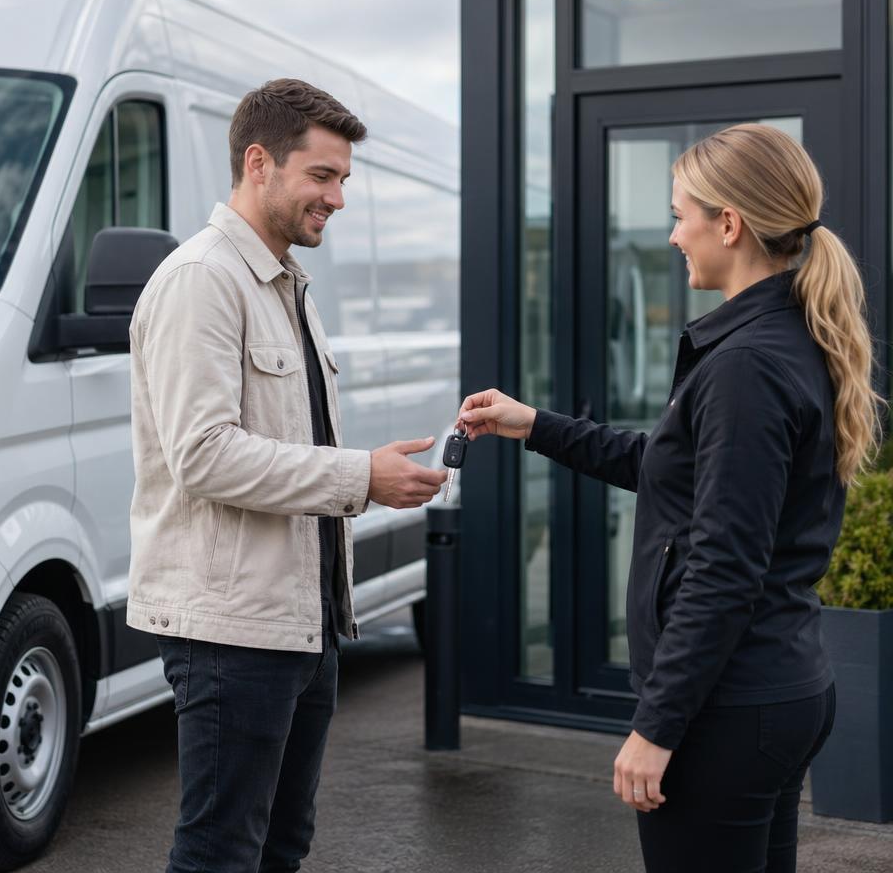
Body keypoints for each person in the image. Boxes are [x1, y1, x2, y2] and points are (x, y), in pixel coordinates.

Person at [458, 124, 882, 873]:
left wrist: (656, 727)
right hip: (773, 692)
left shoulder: (746, 366)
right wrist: (536, 425)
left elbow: (724, 567)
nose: (673, 234)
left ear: (730, 223)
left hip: (730, 711)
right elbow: (674, 469)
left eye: (681, 213)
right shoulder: (783, 339)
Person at [127, 78, 446, 873]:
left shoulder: (283, 283)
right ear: (259, 163)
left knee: (279, 847)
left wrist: (365, 475)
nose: (338, 197)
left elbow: (276, 442)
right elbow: (203, 454)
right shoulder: (202, 279)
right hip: (230, 633)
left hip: (299, 625)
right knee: (220, 852)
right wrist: (359, 477)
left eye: (343, 179)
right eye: (323, 176)